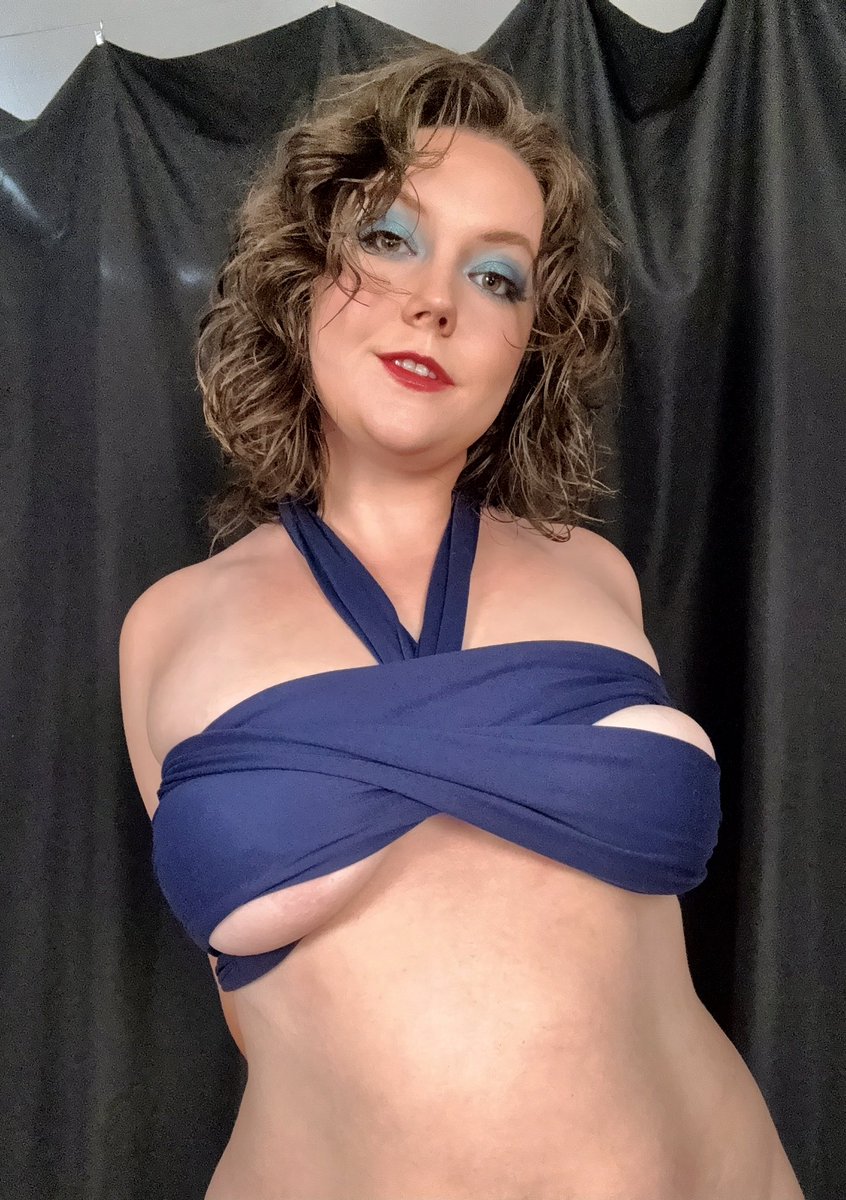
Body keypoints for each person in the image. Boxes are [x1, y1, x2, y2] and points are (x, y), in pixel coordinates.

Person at [119, 46, 804, 1200]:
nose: (436, 300)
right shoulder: (166, 629)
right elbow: (256, 1010)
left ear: (529, 341)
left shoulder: (597, 575)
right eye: (390, 238)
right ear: (301, 273)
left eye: (497, 276)